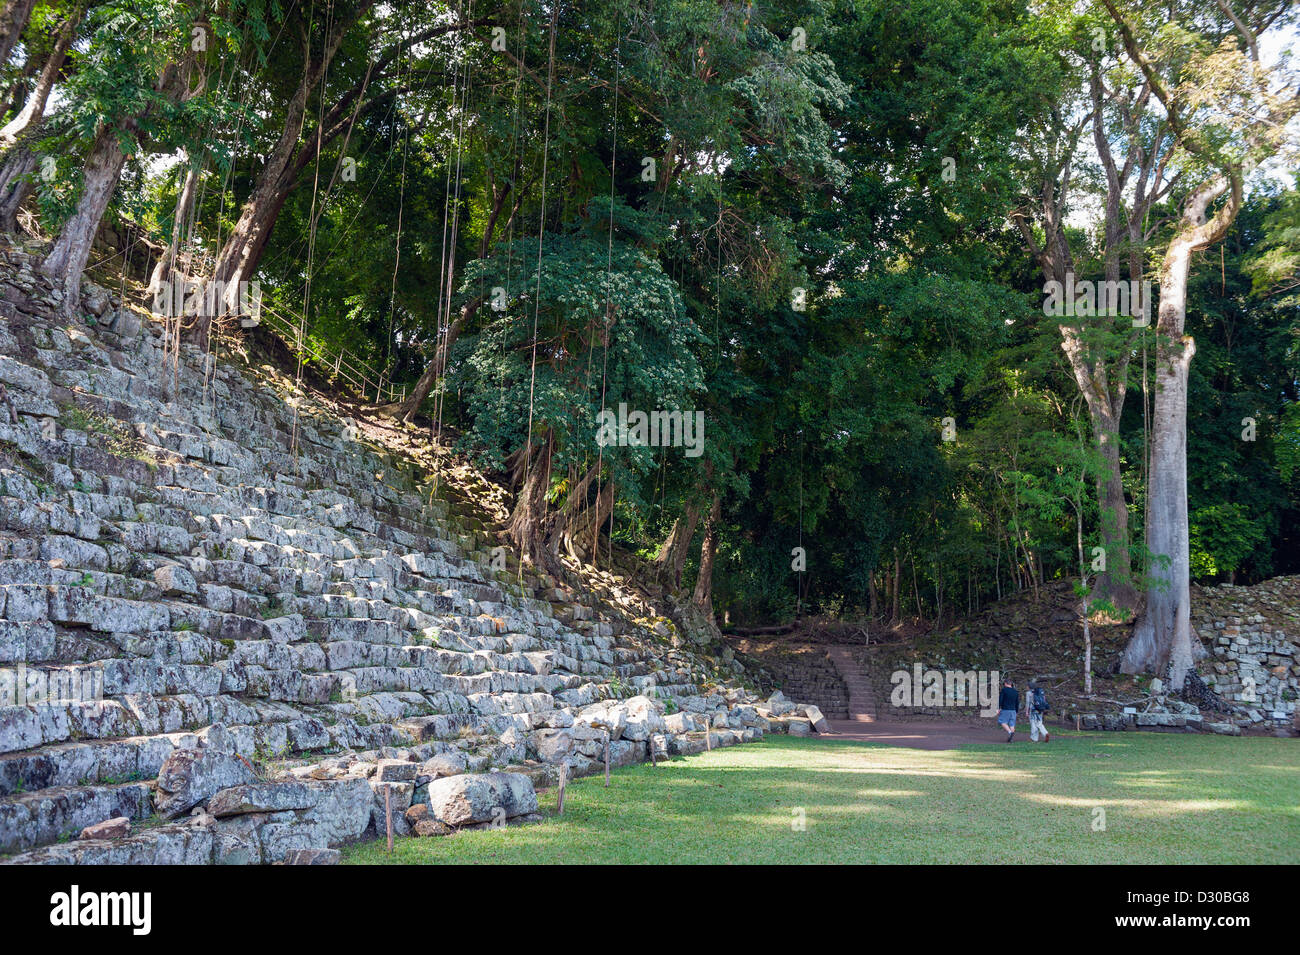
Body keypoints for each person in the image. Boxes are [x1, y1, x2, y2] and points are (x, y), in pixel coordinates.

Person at [997, 678, 1018, 742]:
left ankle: (1010, 732)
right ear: (1011, 684)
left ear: (1005, 683)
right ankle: (1011, 738)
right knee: (1012, 724)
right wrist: (1016, 711)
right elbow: (1017, 702)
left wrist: (998, 708)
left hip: (1006, 709)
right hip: (1013, 710)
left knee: (1002, 721)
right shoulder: (1015, 691)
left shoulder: (1004, 690)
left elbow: (1001, 699)